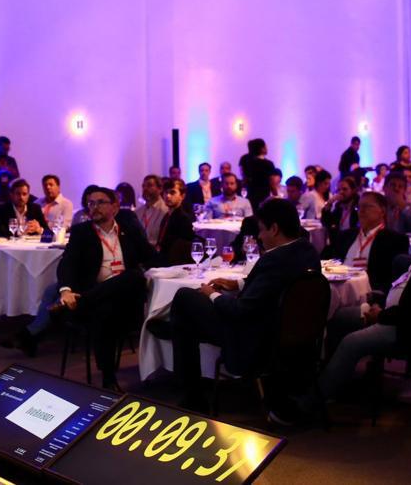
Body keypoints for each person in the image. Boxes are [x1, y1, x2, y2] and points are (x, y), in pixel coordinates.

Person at [163, 199, 320, 412]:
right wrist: (237, 283)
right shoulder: (307, 251)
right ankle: (191, 389)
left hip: (254, 339)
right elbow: (277, 284)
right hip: (293, 336)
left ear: (274, 229)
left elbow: (240, 311)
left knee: (184, 299)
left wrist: (212, 294)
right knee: (188, 314)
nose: (259, 236)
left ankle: (191, 395)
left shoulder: (274, 259)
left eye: (262, 230)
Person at [318, 192, 411, 406]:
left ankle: (316, 398)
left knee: (351, 341)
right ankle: (337, 381)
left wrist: (382, 315)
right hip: (395, 312)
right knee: (336, 318)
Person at [45, 187, 157, 390]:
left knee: (133, 276)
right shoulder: (82, 232)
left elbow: (152, 257)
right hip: (101, 301)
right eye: (90, 203)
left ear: (115, 207)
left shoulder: (129, 230)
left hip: (127, 299)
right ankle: (108, 378)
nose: (94, 207)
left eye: (100, 202)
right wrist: (65, 290)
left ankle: (83, 300)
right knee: (106, 310)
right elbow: (67, 263)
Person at [330, 192, 409, 297]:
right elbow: (332, 263)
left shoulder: (395, 240)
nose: (361, 210)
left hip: (370, 295)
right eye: (359, 206)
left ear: (382, 211)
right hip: (339, 290)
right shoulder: (345, 236)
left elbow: (395, 279)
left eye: (367, 206)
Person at [155, 178, 197, 265]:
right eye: (166, 192)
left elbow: (183, 249)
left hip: (173, 263)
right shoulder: (167, 216)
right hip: (163, 258)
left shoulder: (183, 219)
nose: (168, 196)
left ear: (182, 196)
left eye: (172, 192)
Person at [321, 175, 360, 250]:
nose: (341, 192)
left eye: (344, 189)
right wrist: (328, 204)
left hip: (353, 244)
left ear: (353, 190)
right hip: (339, 243)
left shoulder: (359, 206)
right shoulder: (339, 206)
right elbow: (326, 223)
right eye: (338, 190)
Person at [240, 138, 276, 211]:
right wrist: (276, 195)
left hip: (249, 193)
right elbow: (272, 182)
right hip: (264, 194)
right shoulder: (268, 164)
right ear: (261, 149)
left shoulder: (245, 159)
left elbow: (243, 175)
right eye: (265, 146)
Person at [134, 175, 167, 246]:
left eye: (149, 185)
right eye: (143, 186)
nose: (145, 188)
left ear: (160, 189)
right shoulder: (138, 212)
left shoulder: (166, 211)